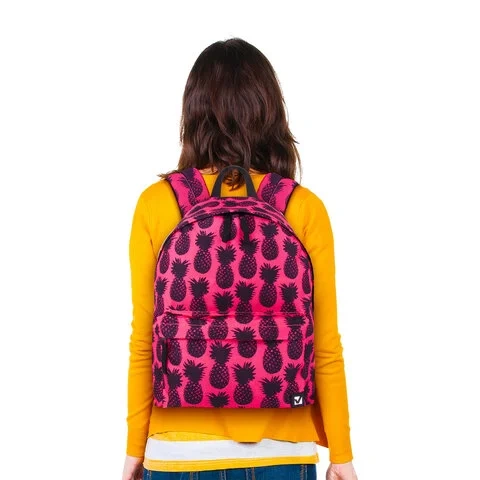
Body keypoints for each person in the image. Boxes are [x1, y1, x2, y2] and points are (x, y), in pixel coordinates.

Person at [122, 38, 357, 480]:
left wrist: (136, 449)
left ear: (192, 114)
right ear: (270, 112)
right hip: (282, 454)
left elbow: (144, 341)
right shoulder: (303, 208)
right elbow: (325, 346)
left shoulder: (157, 204)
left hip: (176, 453)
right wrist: (341, 455)